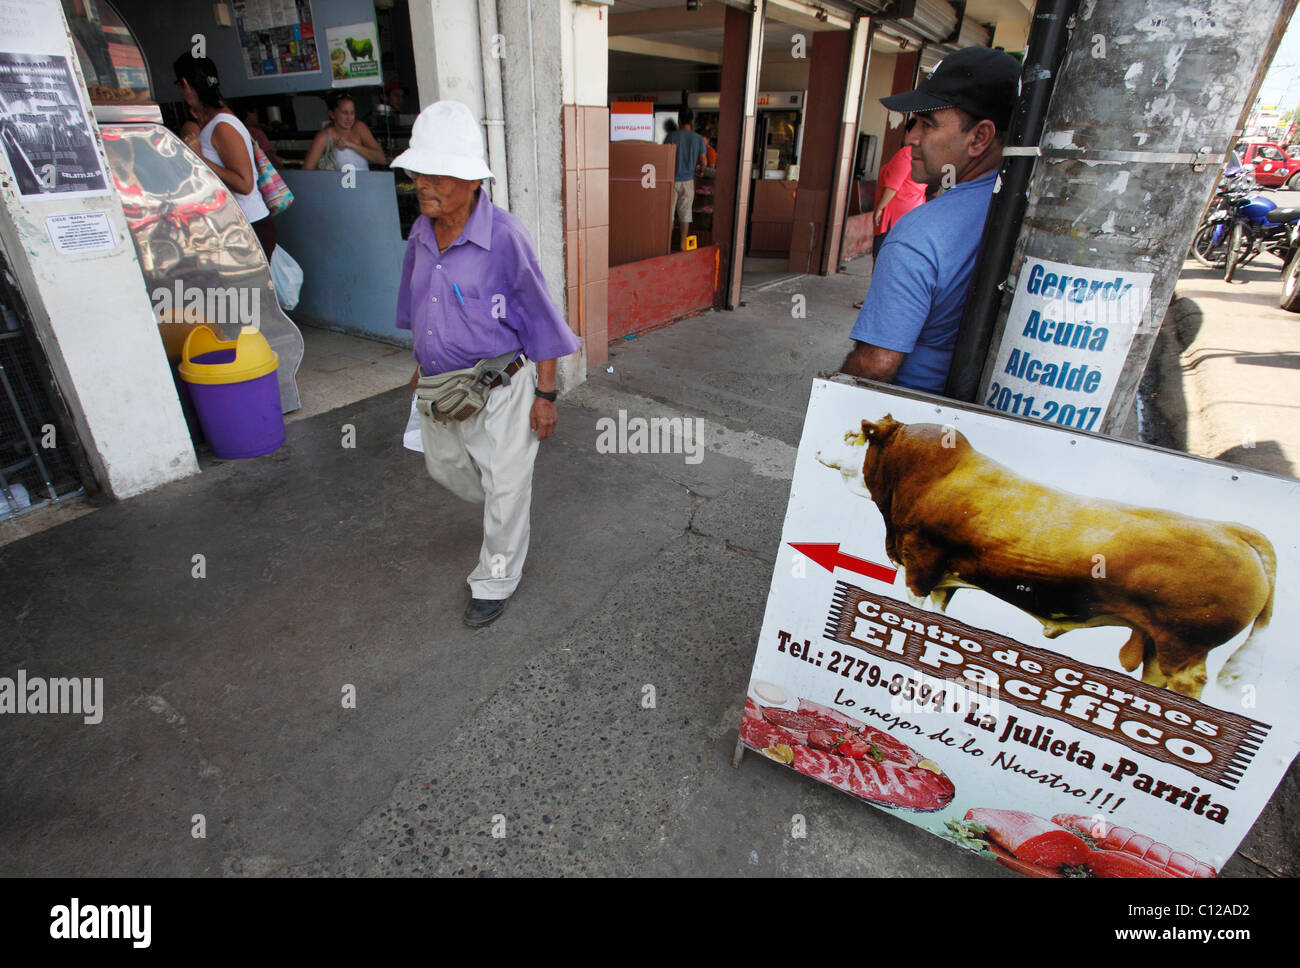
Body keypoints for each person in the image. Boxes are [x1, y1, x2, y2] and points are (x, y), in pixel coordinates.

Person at [393, 101, 580, 629]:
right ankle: (504, 506)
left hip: (505, 386)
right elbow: (419, 305)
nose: (423, 184)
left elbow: (541, 321)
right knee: (445, 468)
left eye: (437, 174)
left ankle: (495, 578)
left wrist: (546, 397)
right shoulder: (421, 232)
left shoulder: (504, 237)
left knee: (505, 487)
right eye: (418, 172)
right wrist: (419, 364)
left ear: (472, 180)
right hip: (441, 385)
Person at [841, 46, 1020, 395]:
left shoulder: (918, 237)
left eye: (927, 124)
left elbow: (876, 364)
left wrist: (832, 407)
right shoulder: (1016, 206)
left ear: (979, 137)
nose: (912, 138)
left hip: (912, 417)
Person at [173, 53, 276, 258]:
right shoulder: (214, 122)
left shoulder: (222, 126)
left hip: (249, 224)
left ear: (185, 84)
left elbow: (245, 184)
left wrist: (200, 158)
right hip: (238, 224)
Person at [663, 107, 708, 250]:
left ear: (679, 120)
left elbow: (664, 158)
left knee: (669, 215)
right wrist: (700, 171)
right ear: (692, 121)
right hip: (688, 180)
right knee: (685, 214)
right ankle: (683, 245)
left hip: (671, 180)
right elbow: (703, 161)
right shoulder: (698, 139)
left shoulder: (671, 137)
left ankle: (667, 247)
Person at [302, 93, 386, 171]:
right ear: (332, 114)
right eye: (344, 113)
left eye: (352, 113)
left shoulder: (359, 127)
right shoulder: (324, 136)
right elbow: (306, 171)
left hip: (364, 184)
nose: (349, 118)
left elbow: (381, 159)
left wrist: (352, 145)